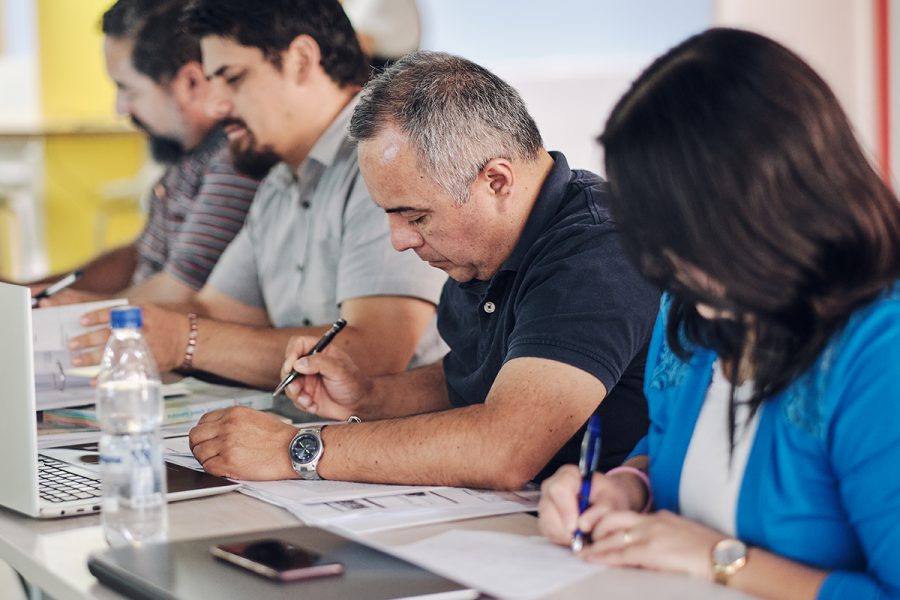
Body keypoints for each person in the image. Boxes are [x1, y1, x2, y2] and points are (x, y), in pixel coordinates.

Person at [538, 28, 900, 599]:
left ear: (771, 203)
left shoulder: (880, 351)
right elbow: (671, 448)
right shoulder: (695, 310)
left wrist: (720, 559)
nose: (665, 266)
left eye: (684, 238)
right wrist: (626, 487)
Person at [188, 51, 658, 488]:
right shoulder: (485, 248)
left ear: (495, 180)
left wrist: (294, 450)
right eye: (391, 216)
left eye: (416, 217)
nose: (400, 240)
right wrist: (369, 397)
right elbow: (469, 378)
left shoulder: (598, 251)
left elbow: (505, 448)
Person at [67, 0, 446, 394]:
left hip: (399, 439)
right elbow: (213, 311)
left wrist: (183, 342)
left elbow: (372, 353)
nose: (216, 104)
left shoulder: (386, 157)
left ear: (301, 60)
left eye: (233, 78)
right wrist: (90, 321)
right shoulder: (278, 181)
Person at [35, 0, 260, 305]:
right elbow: (139, 257)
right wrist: (34, 293)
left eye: (128, 89)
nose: (120, 109)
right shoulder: (190, 155)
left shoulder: (234, 159)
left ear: (190, 82)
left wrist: (71, 312)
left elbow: (179, 294)